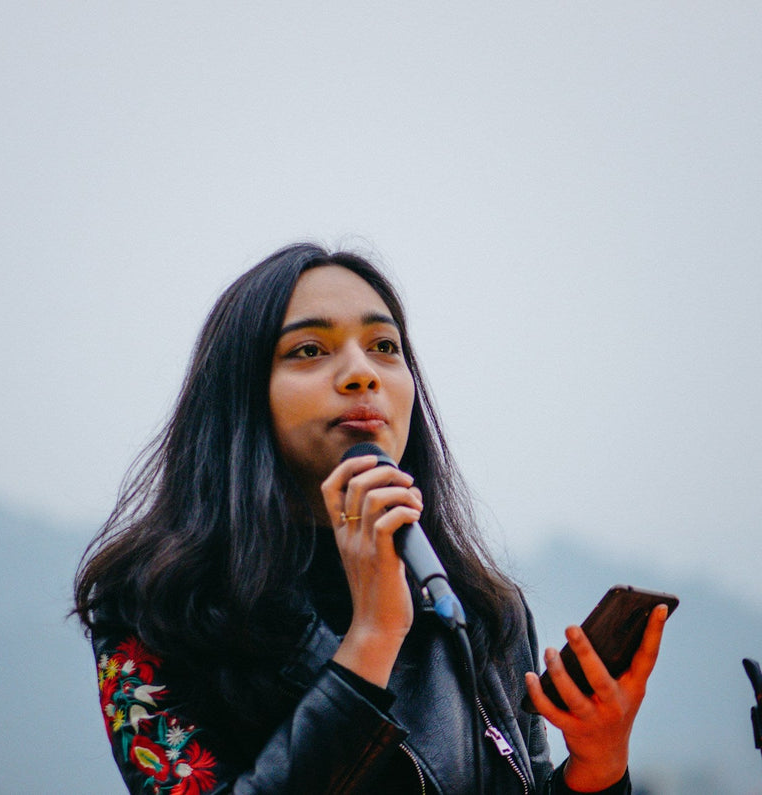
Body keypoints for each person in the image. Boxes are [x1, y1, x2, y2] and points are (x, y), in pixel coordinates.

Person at [73, 243, 669, 794]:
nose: (363, 374)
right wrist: (372, 637)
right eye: (309, 350)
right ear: (243, 395)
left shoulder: (475, 608)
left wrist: (598, 765)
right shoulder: (153, 605)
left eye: (385, 347)